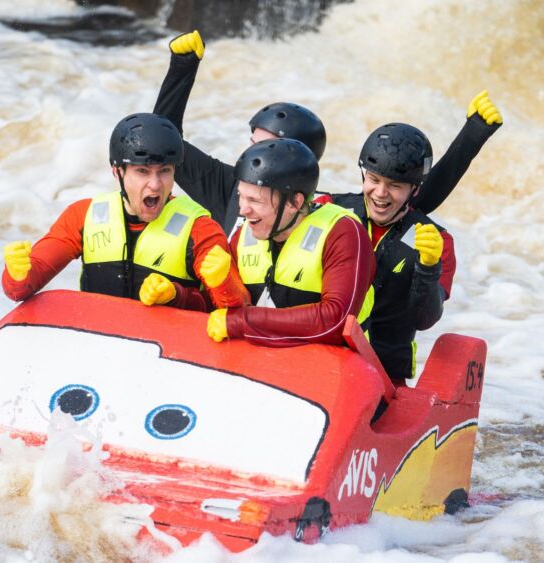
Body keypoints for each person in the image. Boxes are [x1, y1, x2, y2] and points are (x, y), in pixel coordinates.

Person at [153, 30, 502, 236]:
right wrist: (182, 69)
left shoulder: (322, 206)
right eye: (253, 148)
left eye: (269, 149)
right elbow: (161, 146)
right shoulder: (229, 186)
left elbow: (410, 201)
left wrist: (472, 136)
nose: (253, 160)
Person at [1, 113, 249, 311]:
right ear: (117, 171)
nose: (155, 184)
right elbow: (19, 291)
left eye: (165, 171)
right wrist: (18, 275)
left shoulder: (201, 229)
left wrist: (182, 295)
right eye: (142, 171)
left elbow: (236, 309)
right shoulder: (82, 216)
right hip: (101, 348)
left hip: (170, 357)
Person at [205, 139, 375, 347]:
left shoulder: (343, 233)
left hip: (335, 370)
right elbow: (225, 313)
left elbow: (336, 321)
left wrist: (244, 322)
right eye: (241, 197)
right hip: (267, 365)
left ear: (295, 202)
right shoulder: (243, 235)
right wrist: (180, 293)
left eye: (255, 201)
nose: (242, 210)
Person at [318, 124, 456, 381]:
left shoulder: (438, 241)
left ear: (415, 190)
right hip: (320, 357)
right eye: (374, 180)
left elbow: (424, 320)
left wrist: (427, 268)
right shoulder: (329, 208)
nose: (380, 193)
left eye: (394, 185)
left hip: (382, 376)